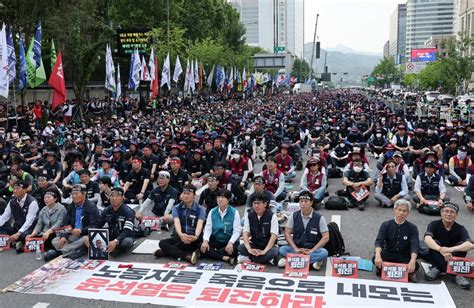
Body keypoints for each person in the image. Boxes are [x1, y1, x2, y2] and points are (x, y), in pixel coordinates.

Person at [424, 202, 473, 289]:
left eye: (452, 212)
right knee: (434, 242)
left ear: (456, 215)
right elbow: (427, 239)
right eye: (446, 211)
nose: (449, 214)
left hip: (453, 256)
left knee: (462, 245)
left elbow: (470, 245)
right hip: (438, 255)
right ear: (441, 213)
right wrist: (441, 249)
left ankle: (442, 269)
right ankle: (453, 272)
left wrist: (450, 250)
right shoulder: (433, 224)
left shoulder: (461, 228)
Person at [278, 191, 329, 270]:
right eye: (301, 201)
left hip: (312, 249)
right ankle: (311, 261)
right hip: (297, 248)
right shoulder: (294, 215)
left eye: (306, 201)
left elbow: (326, 237)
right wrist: (295, 248)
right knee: (282, 249)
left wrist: (312, 250)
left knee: (324, 252)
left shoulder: (319, 218)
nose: (303, 204)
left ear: (311, 202)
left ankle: (292, 260)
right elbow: (287, 233)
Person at [155, 184, 205, 264]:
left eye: (188, 194)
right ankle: (186, 256)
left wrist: (195, 237)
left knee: (183, 245)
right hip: (179, 236)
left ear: (194, 195)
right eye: (184, 193)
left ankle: (166, 252)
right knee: (162, 243)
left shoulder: (201, 209)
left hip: (193, 237)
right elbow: (177, 222)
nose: (185, 196)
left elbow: (200, 224)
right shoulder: (176, 207)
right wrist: (181, 235)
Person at [373, 199, 419, 282]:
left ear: (408, 213)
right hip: (388, 253)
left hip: (404, 255)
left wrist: (412, 260)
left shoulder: (413, 228)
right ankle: (406, 272)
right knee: (375, 258)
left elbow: (414, 245)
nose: (401, 213)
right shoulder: (386, 224)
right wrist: (378, 255)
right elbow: (379, 241)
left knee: (415, 264)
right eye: (399, 210)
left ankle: (385, 269)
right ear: (394, 210)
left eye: (404, 211)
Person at [49, 184, 99, 260]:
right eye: (72, 194)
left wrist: (81, 230)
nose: (74, 196)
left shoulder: (91, 207)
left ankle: (61, 252)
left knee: (85, 239)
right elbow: (66, 222)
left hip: (84, 234)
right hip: (72, 234)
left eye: (76, 194)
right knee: (55, 240)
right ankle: (76, 250)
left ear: (84, 194)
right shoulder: (71, 206)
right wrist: (63, 236)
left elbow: (94, 226)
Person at [87, 187, 135, 257]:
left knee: (125, 243)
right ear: (109, 198)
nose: (114, 198)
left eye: (117, 196)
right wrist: (91, 235)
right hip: (111, 234)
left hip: (125, 236)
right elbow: (98, 224)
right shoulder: (107, 210)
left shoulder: (128, 211)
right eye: (112, 196)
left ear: (122, 198)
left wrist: (116, 241)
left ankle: (116, 248)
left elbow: (127, 231)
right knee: (91, 237)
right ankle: (110, 246)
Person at [200, 189, 242, 264]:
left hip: (229, 240)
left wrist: (230, 243)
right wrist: (205, 241)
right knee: (201, 245)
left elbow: (237, 231)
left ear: (228, 200)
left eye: (223, 197)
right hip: (216, 239)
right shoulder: (212, 211)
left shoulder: (234, 212)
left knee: (235, 249)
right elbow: (208, 229)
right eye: (218, 197)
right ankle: (224, 258)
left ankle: (211, 254)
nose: (220, 199)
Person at [238, 192, 279, 265]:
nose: (256, 206)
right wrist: (249, 249)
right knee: (241, 247)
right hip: (255, 245)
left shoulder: (272, 216)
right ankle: (262, 259)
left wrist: (264, 251)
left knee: (275, 251)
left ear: (265, 204)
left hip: (268, 246)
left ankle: (253, 258)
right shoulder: (249, 215)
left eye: (259, 203)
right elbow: (245, 233)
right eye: (254, 203)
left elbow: (274, 236)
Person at [0, 180, 39, 253]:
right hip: (16, 228)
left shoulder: (32, 202)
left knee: (24, 236)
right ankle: (10, 242)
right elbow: (4, 217)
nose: (14, 191)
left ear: (25, 190)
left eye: (17, 189)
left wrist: (18, 234)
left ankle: (14, 242)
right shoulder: (12, 202)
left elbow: (29, 221)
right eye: (14, 188)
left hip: (29, 229)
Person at [27, 190, 67, 254]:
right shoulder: (43, 209)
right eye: (45, 197)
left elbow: (58, 224)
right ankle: (30, 245)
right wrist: (33, 234)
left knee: (48, 238)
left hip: (55, 232)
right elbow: (39, 223)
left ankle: (39, 246)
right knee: (27, 235)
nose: (46, 199)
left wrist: (48, 232)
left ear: (55, 199)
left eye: (48, 197)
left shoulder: (62, 209)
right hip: (44, 232)